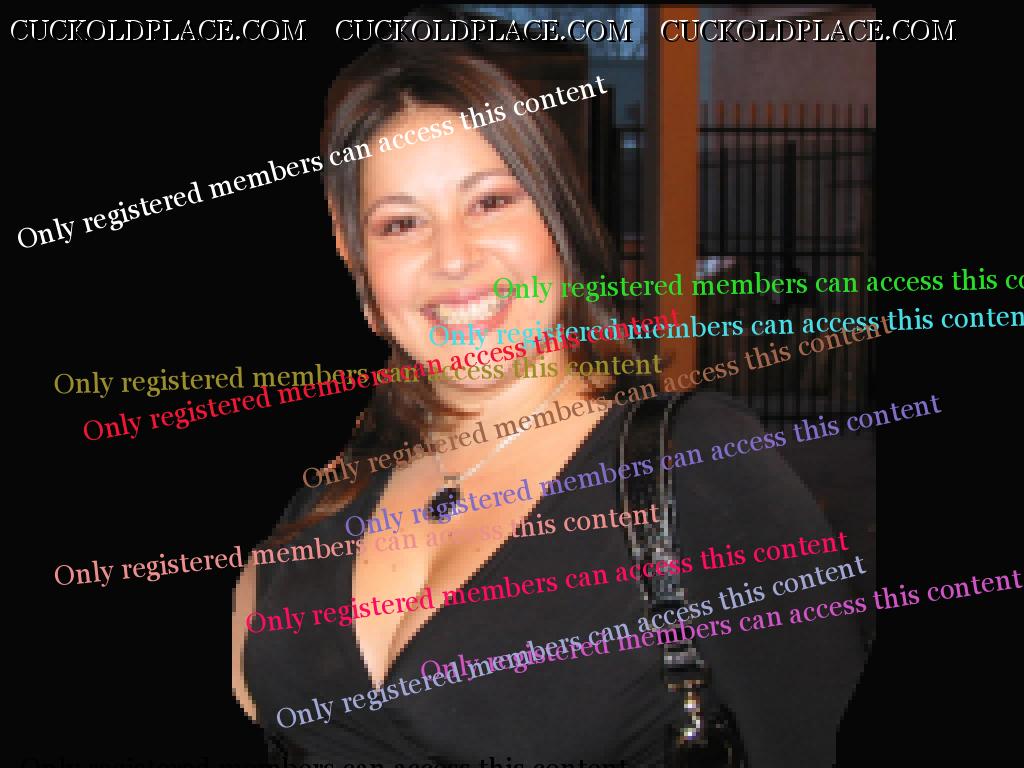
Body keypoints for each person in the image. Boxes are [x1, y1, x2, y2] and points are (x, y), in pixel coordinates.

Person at [231, 40, 865, 767]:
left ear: (557, 220)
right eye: (401, 223)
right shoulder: (336, 488)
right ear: (355, 257)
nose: (454, 258)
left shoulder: (697, 464)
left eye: (490, 202)